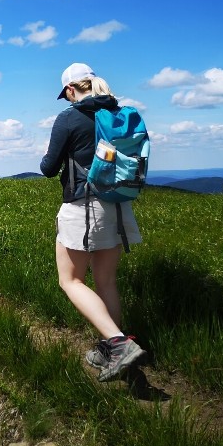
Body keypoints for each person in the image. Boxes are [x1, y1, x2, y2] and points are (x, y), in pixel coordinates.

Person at [40, 63, 146, 382]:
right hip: (118, 204)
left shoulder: (70, 118)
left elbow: (48, 167)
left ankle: (117, 343)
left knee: (70, 280)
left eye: (66, 94)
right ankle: (109, 349)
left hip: (84, 207)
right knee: (107, 281)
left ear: (71, 89)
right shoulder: (118, 113)